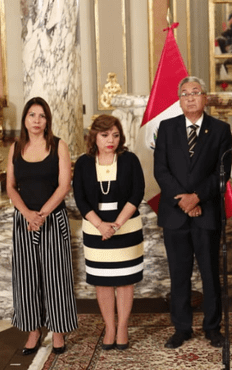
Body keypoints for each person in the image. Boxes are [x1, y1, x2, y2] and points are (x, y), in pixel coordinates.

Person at [154, 76, 232, 349]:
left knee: (210, 274)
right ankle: (182, 328)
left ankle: (213, 327)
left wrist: (197, 197)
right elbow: (161, 170)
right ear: (179, 100)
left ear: (205, 98)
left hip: (207, 213)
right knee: (179, 274)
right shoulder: (166, 128)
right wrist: (183, 202)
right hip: (175, 215)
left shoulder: (221, 129)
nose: (189, 98)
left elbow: (222, 174)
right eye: (184, 93)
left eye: (195, 93)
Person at [7, 97, 78, 355]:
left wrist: (42, 214)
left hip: (52, 220)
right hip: (24, 223)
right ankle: (33, 331)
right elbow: (10, 187)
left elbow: (64, 185)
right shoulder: (16, 147)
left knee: (56, 278)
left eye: (42, 116)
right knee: (26, 279)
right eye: (32, 115)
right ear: (24, 119)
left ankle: (58, 333)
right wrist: (27, 214)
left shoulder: (59, 145)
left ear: (48, 120)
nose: (37, 121)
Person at [73, 115, 145, 351]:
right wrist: (100, 225)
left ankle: (122, 326)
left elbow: (137, 193)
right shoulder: (84, 162)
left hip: (126, 228)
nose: (110, 140)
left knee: (125, 281)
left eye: (115, 134)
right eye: (105, 135)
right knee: (102, 282)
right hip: (95, 230)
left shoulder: (130, 160)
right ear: (94, 136)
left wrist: (116, 225)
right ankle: (110, 327)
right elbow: (81, 198)